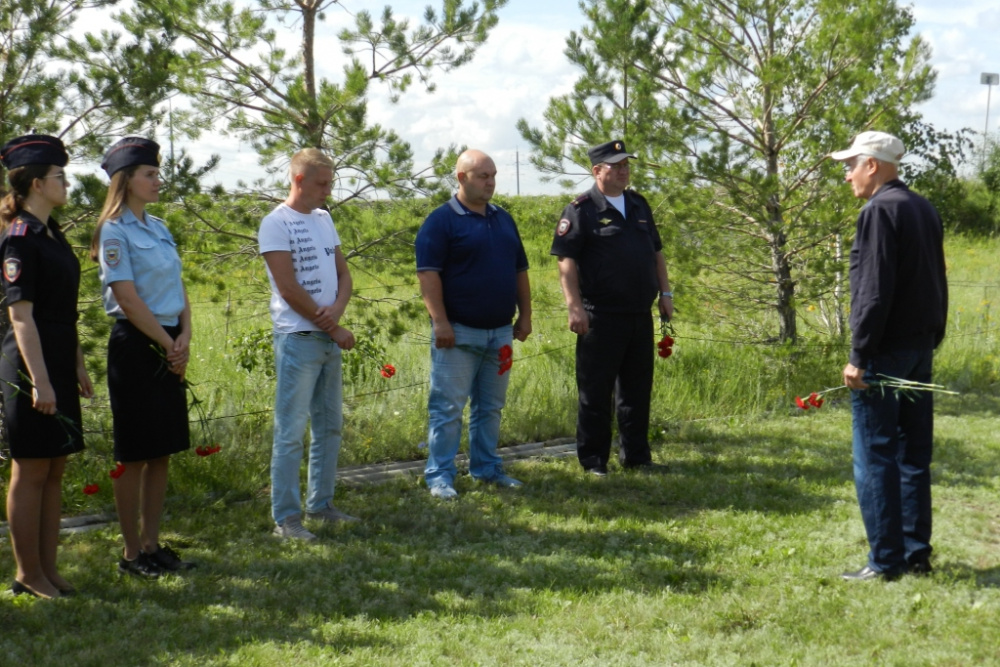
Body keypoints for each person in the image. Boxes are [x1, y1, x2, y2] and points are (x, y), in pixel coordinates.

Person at [829, 131, 948, 581]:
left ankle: (885, 561)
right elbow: (938, 279)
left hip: (885, 353)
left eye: (851, 165)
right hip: (918, 348)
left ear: (872, 165)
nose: (847, 175)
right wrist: (931, 338)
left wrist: (859, 354)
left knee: (875, 455)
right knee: (912, 455)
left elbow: (873, 290)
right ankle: (916, 553)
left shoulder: (879, 210)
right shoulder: (922, 206)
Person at [92, 137, 196, 577]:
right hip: (137, 344)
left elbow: (178, 288)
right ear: (126, 180)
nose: (157, 180)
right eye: (149, 174)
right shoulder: (113, 231)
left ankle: (153, 544)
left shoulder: (159, 227)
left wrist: (185, 335)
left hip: (170, 339)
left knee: (162, 451)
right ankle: (132, 553)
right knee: (134, 453)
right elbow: (128, 299)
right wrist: (167, 343)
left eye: (156, 173)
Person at [0, 134, 93, 599]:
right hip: (28, 364)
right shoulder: (19, 238)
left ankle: (49, 569)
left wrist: (75, 364)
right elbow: (21, 316)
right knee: (31, 469)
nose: (67, 182)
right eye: (60, 177)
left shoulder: (51, 233)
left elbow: (64, 310)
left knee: (55, 467)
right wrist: (40, 381)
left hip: (55, 356)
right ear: (37, 183)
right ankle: (27, 572)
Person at [551, 140, 673, 477]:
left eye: (626, 165)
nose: (623, 171)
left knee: (636, 389)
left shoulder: (638, 204)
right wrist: (574, 307)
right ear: (597, 171)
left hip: (638, 314)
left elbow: (656, 253)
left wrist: (666, 292)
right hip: (599, 316)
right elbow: (566, 261)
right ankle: (594, 462)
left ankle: (636, 457)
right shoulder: (581, 209)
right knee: (595, 391)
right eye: (616, 165)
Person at [415, 149, 532, 499]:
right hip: (458, 333)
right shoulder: (441, 221)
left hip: (500, 332)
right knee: (448, 408)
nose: (491, 182)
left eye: (493, 175)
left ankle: (486, 468)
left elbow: (519, 271)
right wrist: (441, 322)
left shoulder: (503, 219)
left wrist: (525, 316)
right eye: (483, 176)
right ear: (461, 178)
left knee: (490, 407)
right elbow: (428, 275)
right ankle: (440, 476)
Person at [259, 148, 357, 541]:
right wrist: (332, 326)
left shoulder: (323, 219)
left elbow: (343, 273)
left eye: (330, 183)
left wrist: (337, 310)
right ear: (299, 179)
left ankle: (321, 503)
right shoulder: (276, 223)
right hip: (298, 339)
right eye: (322, 183)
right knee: (291, 430)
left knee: (330, 425)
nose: (328, 191)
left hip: (327, 336)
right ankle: (286, 518)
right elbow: (288, 288)